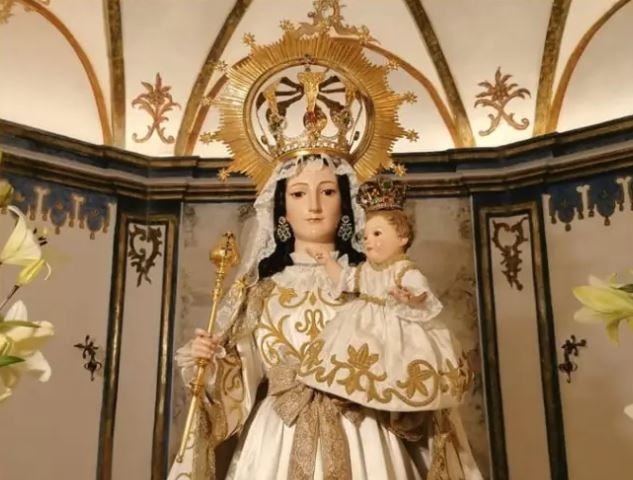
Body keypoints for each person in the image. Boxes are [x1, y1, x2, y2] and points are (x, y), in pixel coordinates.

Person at [168, 156, 482, 479]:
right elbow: (239, 379)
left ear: (345, 203)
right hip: (278, 435)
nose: (314, 206)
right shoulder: (261, 292)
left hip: (365, 432)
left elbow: (406, 358)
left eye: (328, 192)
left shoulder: (371, 286)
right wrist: (210, 363)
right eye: (299, 193)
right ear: (282, 208)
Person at [298, 177, 470, 413]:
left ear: (402, 238)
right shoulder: (367, 269)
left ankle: (396, 409)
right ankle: (354, 398)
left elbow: (421, 292)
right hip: (361, 322)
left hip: (396, 326)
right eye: (366, 236)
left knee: (394, 365)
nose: (369, 242)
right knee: (353, 358)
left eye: (377, 234)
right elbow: (346, 280)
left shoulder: (404, 269)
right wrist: (328, 261)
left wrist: (410, 298)